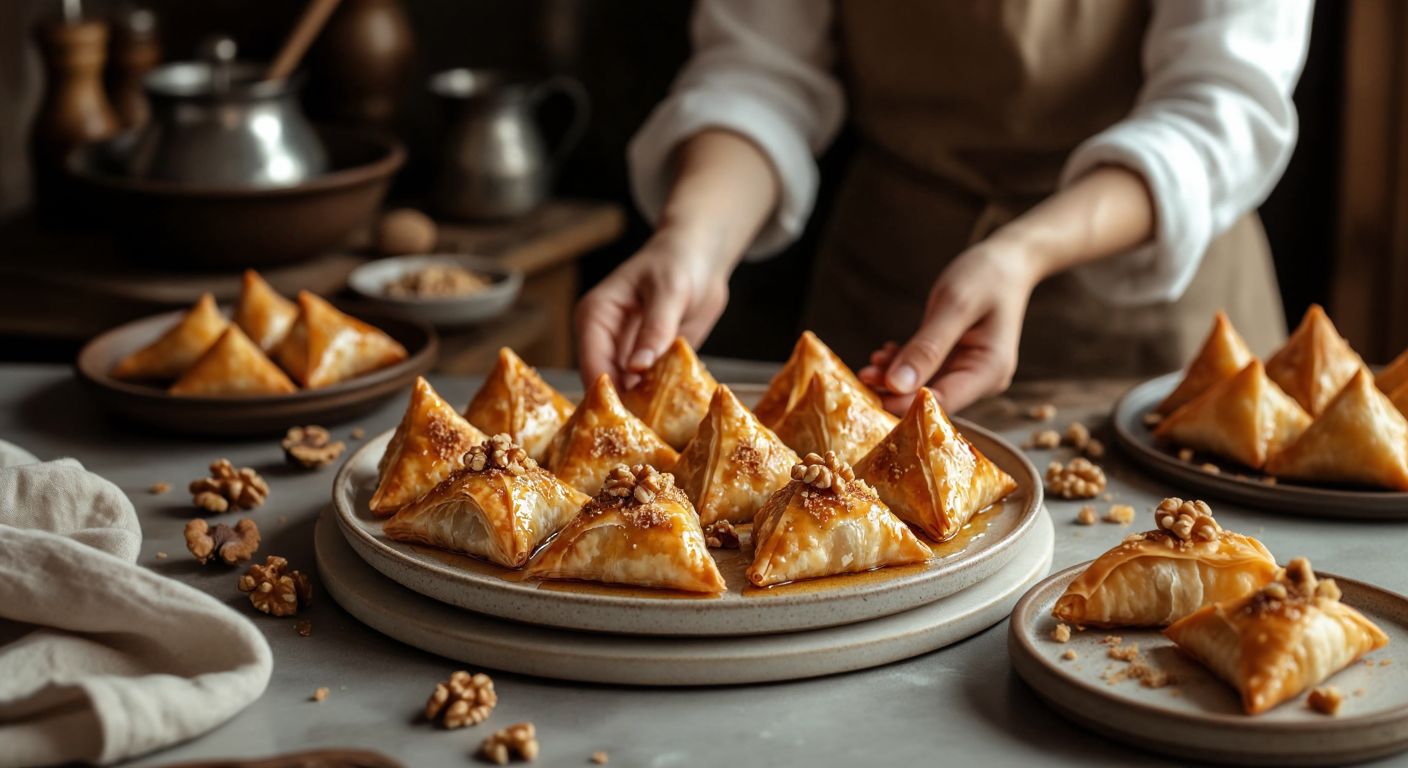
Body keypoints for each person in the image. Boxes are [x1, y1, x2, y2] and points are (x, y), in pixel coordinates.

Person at [576, 0, 1313, 414]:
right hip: (887, 294)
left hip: (1149, 318)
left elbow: (1219, 111)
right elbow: (760, 75)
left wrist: (1023, 253)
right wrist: (692, 240)